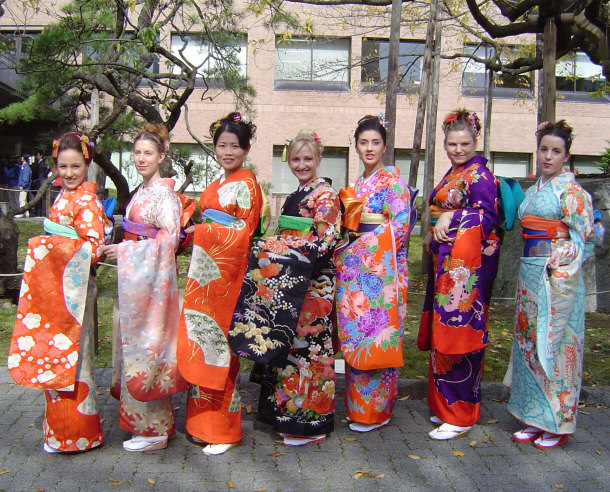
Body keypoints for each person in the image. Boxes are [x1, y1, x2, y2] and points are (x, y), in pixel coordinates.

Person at [229, 131, 341, 445]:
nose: (301, 164)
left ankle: (309, 423)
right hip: (292, 278)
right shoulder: (297, 194)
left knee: (309, 352)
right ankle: (283, 415)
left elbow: (325, 241)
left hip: (312, 282)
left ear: (319, 159)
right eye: (296, 159)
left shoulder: (326, 196)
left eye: (308, 159)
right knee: (289, 348)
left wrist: (283, 251)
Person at [8, 132, 111, 453]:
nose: (69, 174)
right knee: (52, 357)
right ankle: (57, 432)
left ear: (87, 164)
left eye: (76, 167)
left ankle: (81, 433)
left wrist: (51, 246)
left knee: (76, 364)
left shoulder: (88, 201)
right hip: (54, 289)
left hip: (77, 292)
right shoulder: (63, 197)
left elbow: (95, 249)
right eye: (63, 167)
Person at [177, 112, 265, 456]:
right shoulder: (219, 183)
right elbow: (205, 216)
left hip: (228, 274)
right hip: (207, 273)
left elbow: (243, 232)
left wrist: (200, 231)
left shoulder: (248, 184)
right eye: (221, 145)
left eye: (234, 146)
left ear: (245, 149)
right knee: (203, 343)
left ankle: (225, 431)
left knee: (222, 350)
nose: (227, 151)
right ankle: (201, 426)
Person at [504, 120, 594, 449]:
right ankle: (532, 416)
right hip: (530, 276)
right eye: (543, 149)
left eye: (555, 151)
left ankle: (556, 422)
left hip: (558, 280)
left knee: (556, 348)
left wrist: (564, 253)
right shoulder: (534, 190)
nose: (548, 156)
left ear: (566, 156)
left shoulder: (572, 193)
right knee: (529, 346)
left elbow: (584, 237)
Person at [103, 124, 187, 452]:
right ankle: (150, 425)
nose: (141, 159)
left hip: (150, 285)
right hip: (136, 280)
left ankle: (154, 432)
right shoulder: (141, 192)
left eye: (148, 153)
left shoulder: (164, 195)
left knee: (148, 353)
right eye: (137, 153)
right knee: (135, 352)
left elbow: (168, 241)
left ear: (161, 156)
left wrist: (125, 250)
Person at [417, 109, 500, 440]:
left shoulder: (479, 175)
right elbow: (442, 211)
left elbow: (488, 218)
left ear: (475, 141)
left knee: (461, 337)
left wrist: (453, 218)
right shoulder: (456, 172)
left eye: (465, 143)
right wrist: (433, 229)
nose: (458, 149)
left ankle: (462, 414)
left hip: (466, 272)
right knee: (444, 338)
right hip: (447, 265)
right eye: (452, 144)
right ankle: (445, 407)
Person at [334, 115, 412, 432]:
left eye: (375, 142)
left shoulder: (394, 184)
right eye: (363, 142)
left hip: (383, 271)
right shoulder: (353, 187)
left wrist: (364, 246)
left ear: (384, 146)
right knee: (358, 335)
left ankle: (378, 412)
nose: (369, 148)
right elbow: (346, 228)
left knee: (379, 334)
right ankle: (357, 408)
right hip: (356, 273)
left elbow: (401, 229)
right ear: (355, 145)